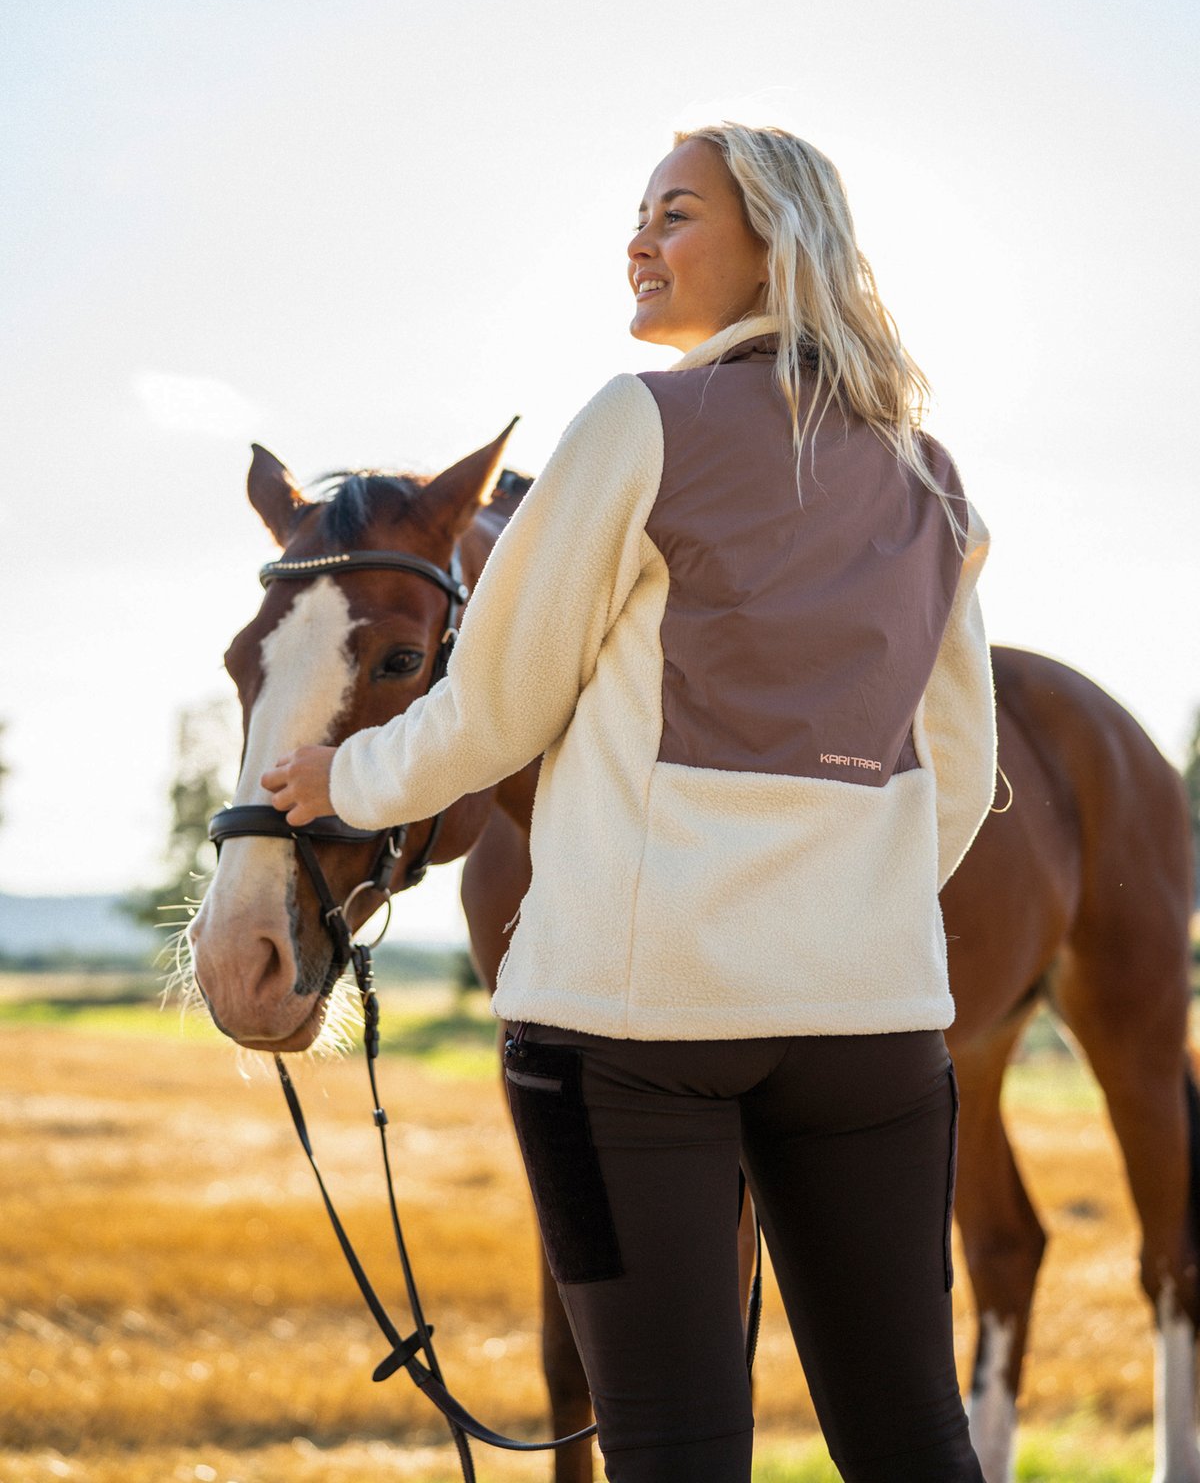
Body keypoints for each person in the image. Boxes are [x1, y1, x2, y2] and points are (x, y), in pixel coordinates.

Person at [262, 122, 996, 1482]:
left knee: (672, 1455)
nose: (638, 244)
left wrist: (339, 781)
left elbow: (493, 709)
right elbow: (950, 771)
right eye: (639, 218)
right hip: (874, 1033)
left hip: (621, 1041)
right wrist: (841, 911)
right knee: (912, 1445)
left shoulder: (636, 424)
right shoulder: (928, 475)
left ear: (778, 242)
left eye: (676, 214)